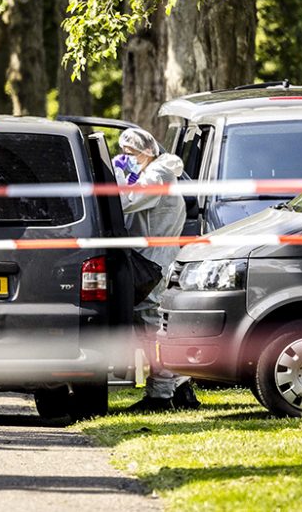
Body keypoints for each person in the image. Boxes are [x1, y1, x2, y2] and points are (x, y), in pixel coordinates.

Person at [115, 127, 199, 412]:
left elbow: (127, 201)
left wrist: (116, 176)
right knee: (161, 327)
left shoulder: (157, 176)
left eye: (130, 153)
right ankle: (183, 391)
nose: (126, 158)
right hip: (156, 259)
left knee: (152, 329)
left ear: (147, 152)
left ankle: (160, 397)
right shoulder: (160, 171)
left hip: (152, 263)